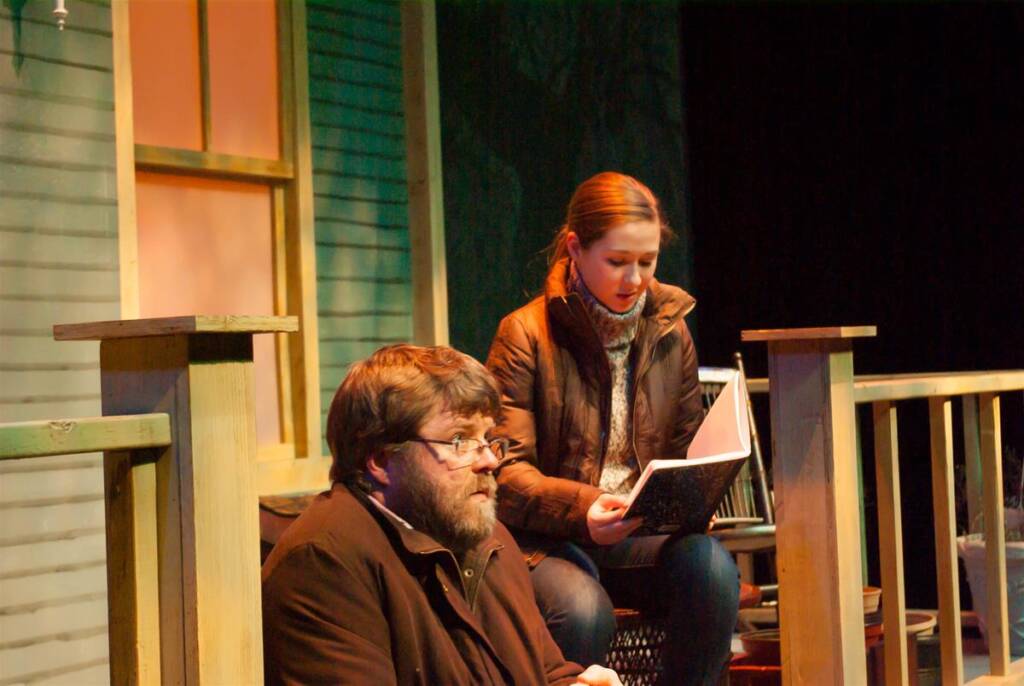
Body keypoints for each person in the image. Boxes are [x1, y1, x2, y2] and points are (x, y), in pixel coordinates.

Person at [486, 171, 740, 684]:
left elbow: (685, 446)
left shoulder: (671, 330)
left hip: (635, 535)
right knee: (582, 610)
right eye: (618, 262)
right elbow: (503, 472)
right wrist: (583, 510)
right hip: (547, 542)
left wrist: (696, 493)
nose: (635, 280)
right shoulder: (525, 334)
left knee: (711, 571)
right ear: (576, 249)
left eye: (647, 262)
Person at [262, 344, 624, 686]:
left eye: (487, 439)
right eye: (459, 441)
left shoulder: (488, 538)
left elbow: (545, 671)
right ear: (383, 461)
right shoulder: (323, 562)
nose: (489, 460)